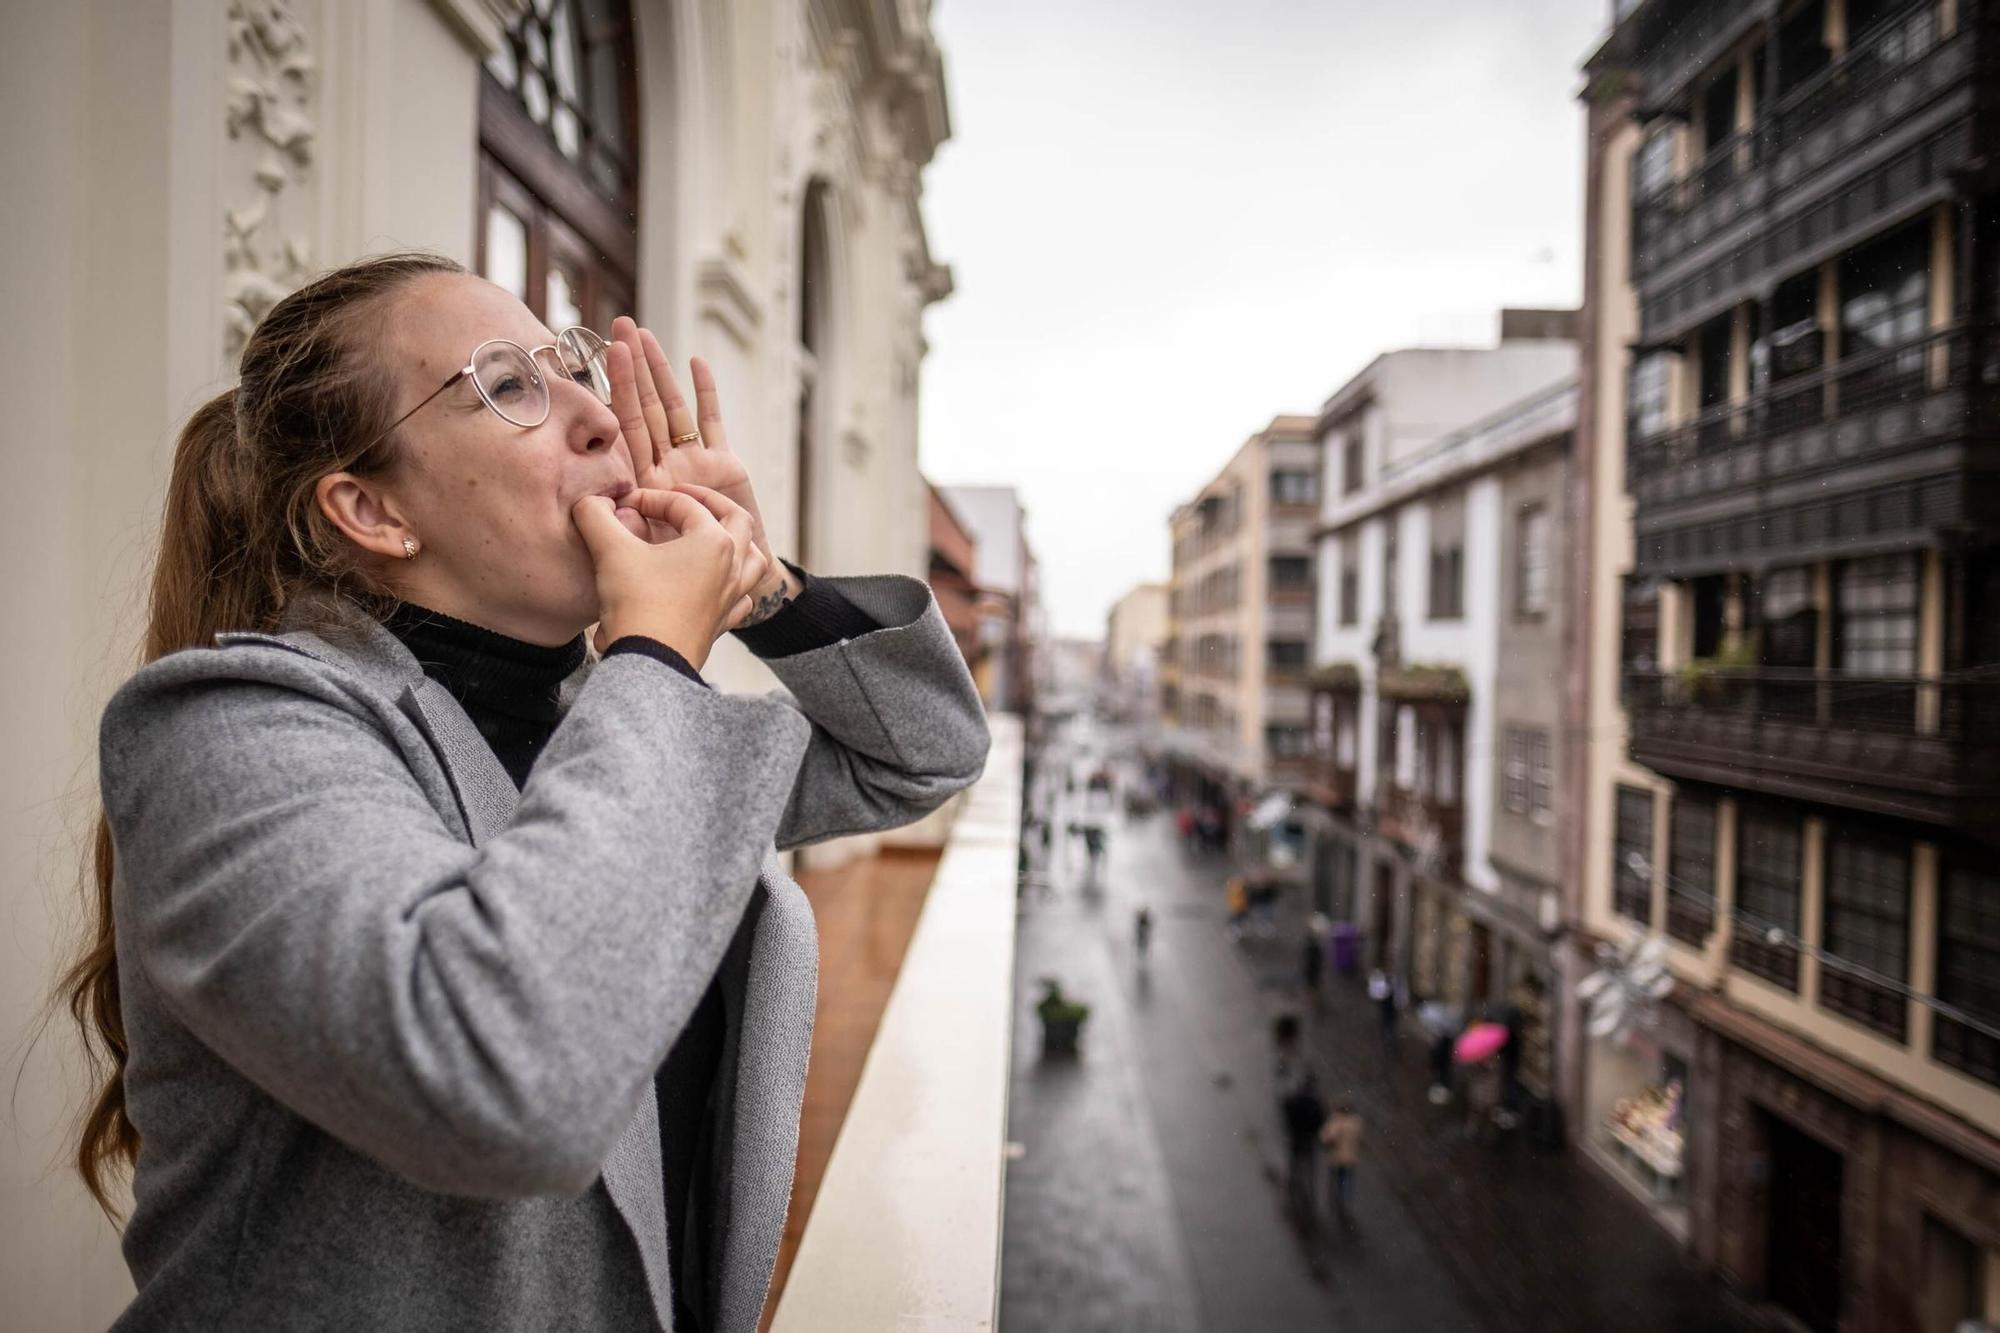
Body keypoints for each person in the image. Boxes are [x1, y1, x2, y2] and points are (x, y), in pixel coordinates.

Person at [65, 254, 990, 1332]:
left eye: (572, 368)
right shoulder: (224, 728)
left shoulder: (595, 726)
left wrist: (756, 582)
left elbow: (918, 751)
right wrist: (654, 649)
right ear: (370, 509)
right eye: (508, 385)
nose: (599, 416)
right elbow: (507, 1082)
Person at [1319, 1100, 1364, 1229]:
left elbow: (1326, 1138)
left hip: (1337, 1159)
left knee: (1336, 1182)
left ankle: (1335, 1203)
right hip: (1351, 1159)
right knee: (1348, 1183)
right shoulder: (1356, 1122)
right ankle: (1346, 1206)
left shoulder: (1336, 1121)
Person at [1369, 968, 1398, 1054]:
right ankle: (1389, 1041)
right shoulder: (1382, 979)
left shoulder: (1390, 981)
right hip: (1388, 1008)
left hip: (1390, 1008)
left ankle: (1389, 1041)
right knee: (1388, 1025)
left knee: (1388, 1025)